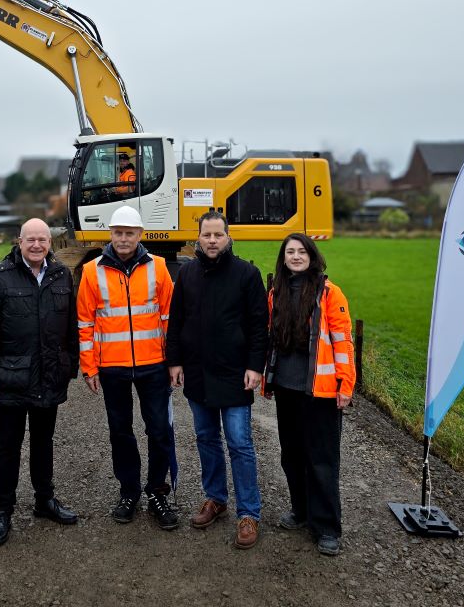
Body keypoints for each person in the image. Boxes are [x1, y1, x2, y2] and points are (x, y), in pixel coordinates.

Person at [166, 211, 268, 549]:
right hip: (197, 373)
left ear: (228, 238)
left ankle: (249, 513)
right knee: (206, 439)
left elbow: (258, 326)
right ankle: (216, 498)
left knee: (240, 444)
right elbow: (176, 321)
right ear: (198, 237)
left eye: (217, 235)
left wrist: (255, 366)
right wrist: (175, 361)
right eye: (206, 235)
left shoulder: (247, 274)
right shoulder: (187, 274)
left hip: (235, 375)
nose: (212, 240)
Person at [0, 218, 80, 545]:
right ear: (19, 241)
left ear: (50, 242)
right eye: (30, 240)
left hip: (49, 375)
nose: (36, 245)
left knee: (43, 441)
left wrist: (70, 365)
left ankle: (44, 499)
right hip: (12, 376)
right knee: (9, 445)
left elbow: (71, 326)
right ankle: (3, 510)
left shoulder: (61, 275)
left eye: (42, 240)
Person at [76, 205, 179, 529]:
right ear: (111, 234)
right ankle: (129, 491)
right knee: (121, 432)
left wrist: (173, 361)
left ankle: (157, 491)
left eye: (129, 233)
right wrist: (89, 367)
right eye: (118, 232)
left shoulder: (159, 268)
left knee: (160, 430)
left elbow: (169, 318)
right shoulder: (92, 271)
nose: (123, 238)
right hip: (113, 368)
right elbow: (85, 323)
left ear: (140, 235)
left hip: (153, 365)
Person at [263, 233, 355, 556]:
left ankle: (327, 527)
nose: (296, 256)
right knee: (292, 457)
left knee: (322, 461)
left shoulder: (329, 292)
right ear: (283, 257)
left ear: (312, 255)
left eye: (302, 251)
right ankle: (300, 512)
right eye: (291, 251)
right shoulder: (276, 292)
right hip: (287, 389)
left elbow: (343, 342)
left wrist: (346, 383)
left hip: (320, 392)